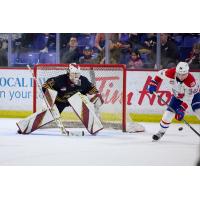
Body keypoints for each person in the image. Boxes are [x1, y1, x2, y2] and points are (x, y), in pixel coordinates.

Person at [147, 62, 200, 140]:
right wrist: (153, 83)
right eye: (179, 74)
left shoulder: (191, 82)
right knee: (167, 115)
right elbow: (159, 74)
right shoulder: (170, 72)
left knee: (198, 111)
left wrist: (182, 109)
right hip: (177, 96)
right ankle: (161, 132)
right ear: (176, 71)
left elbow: (189, 98)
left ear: (187, 72)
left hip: (194, 96)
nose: (181, 77)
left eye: (184, 74)